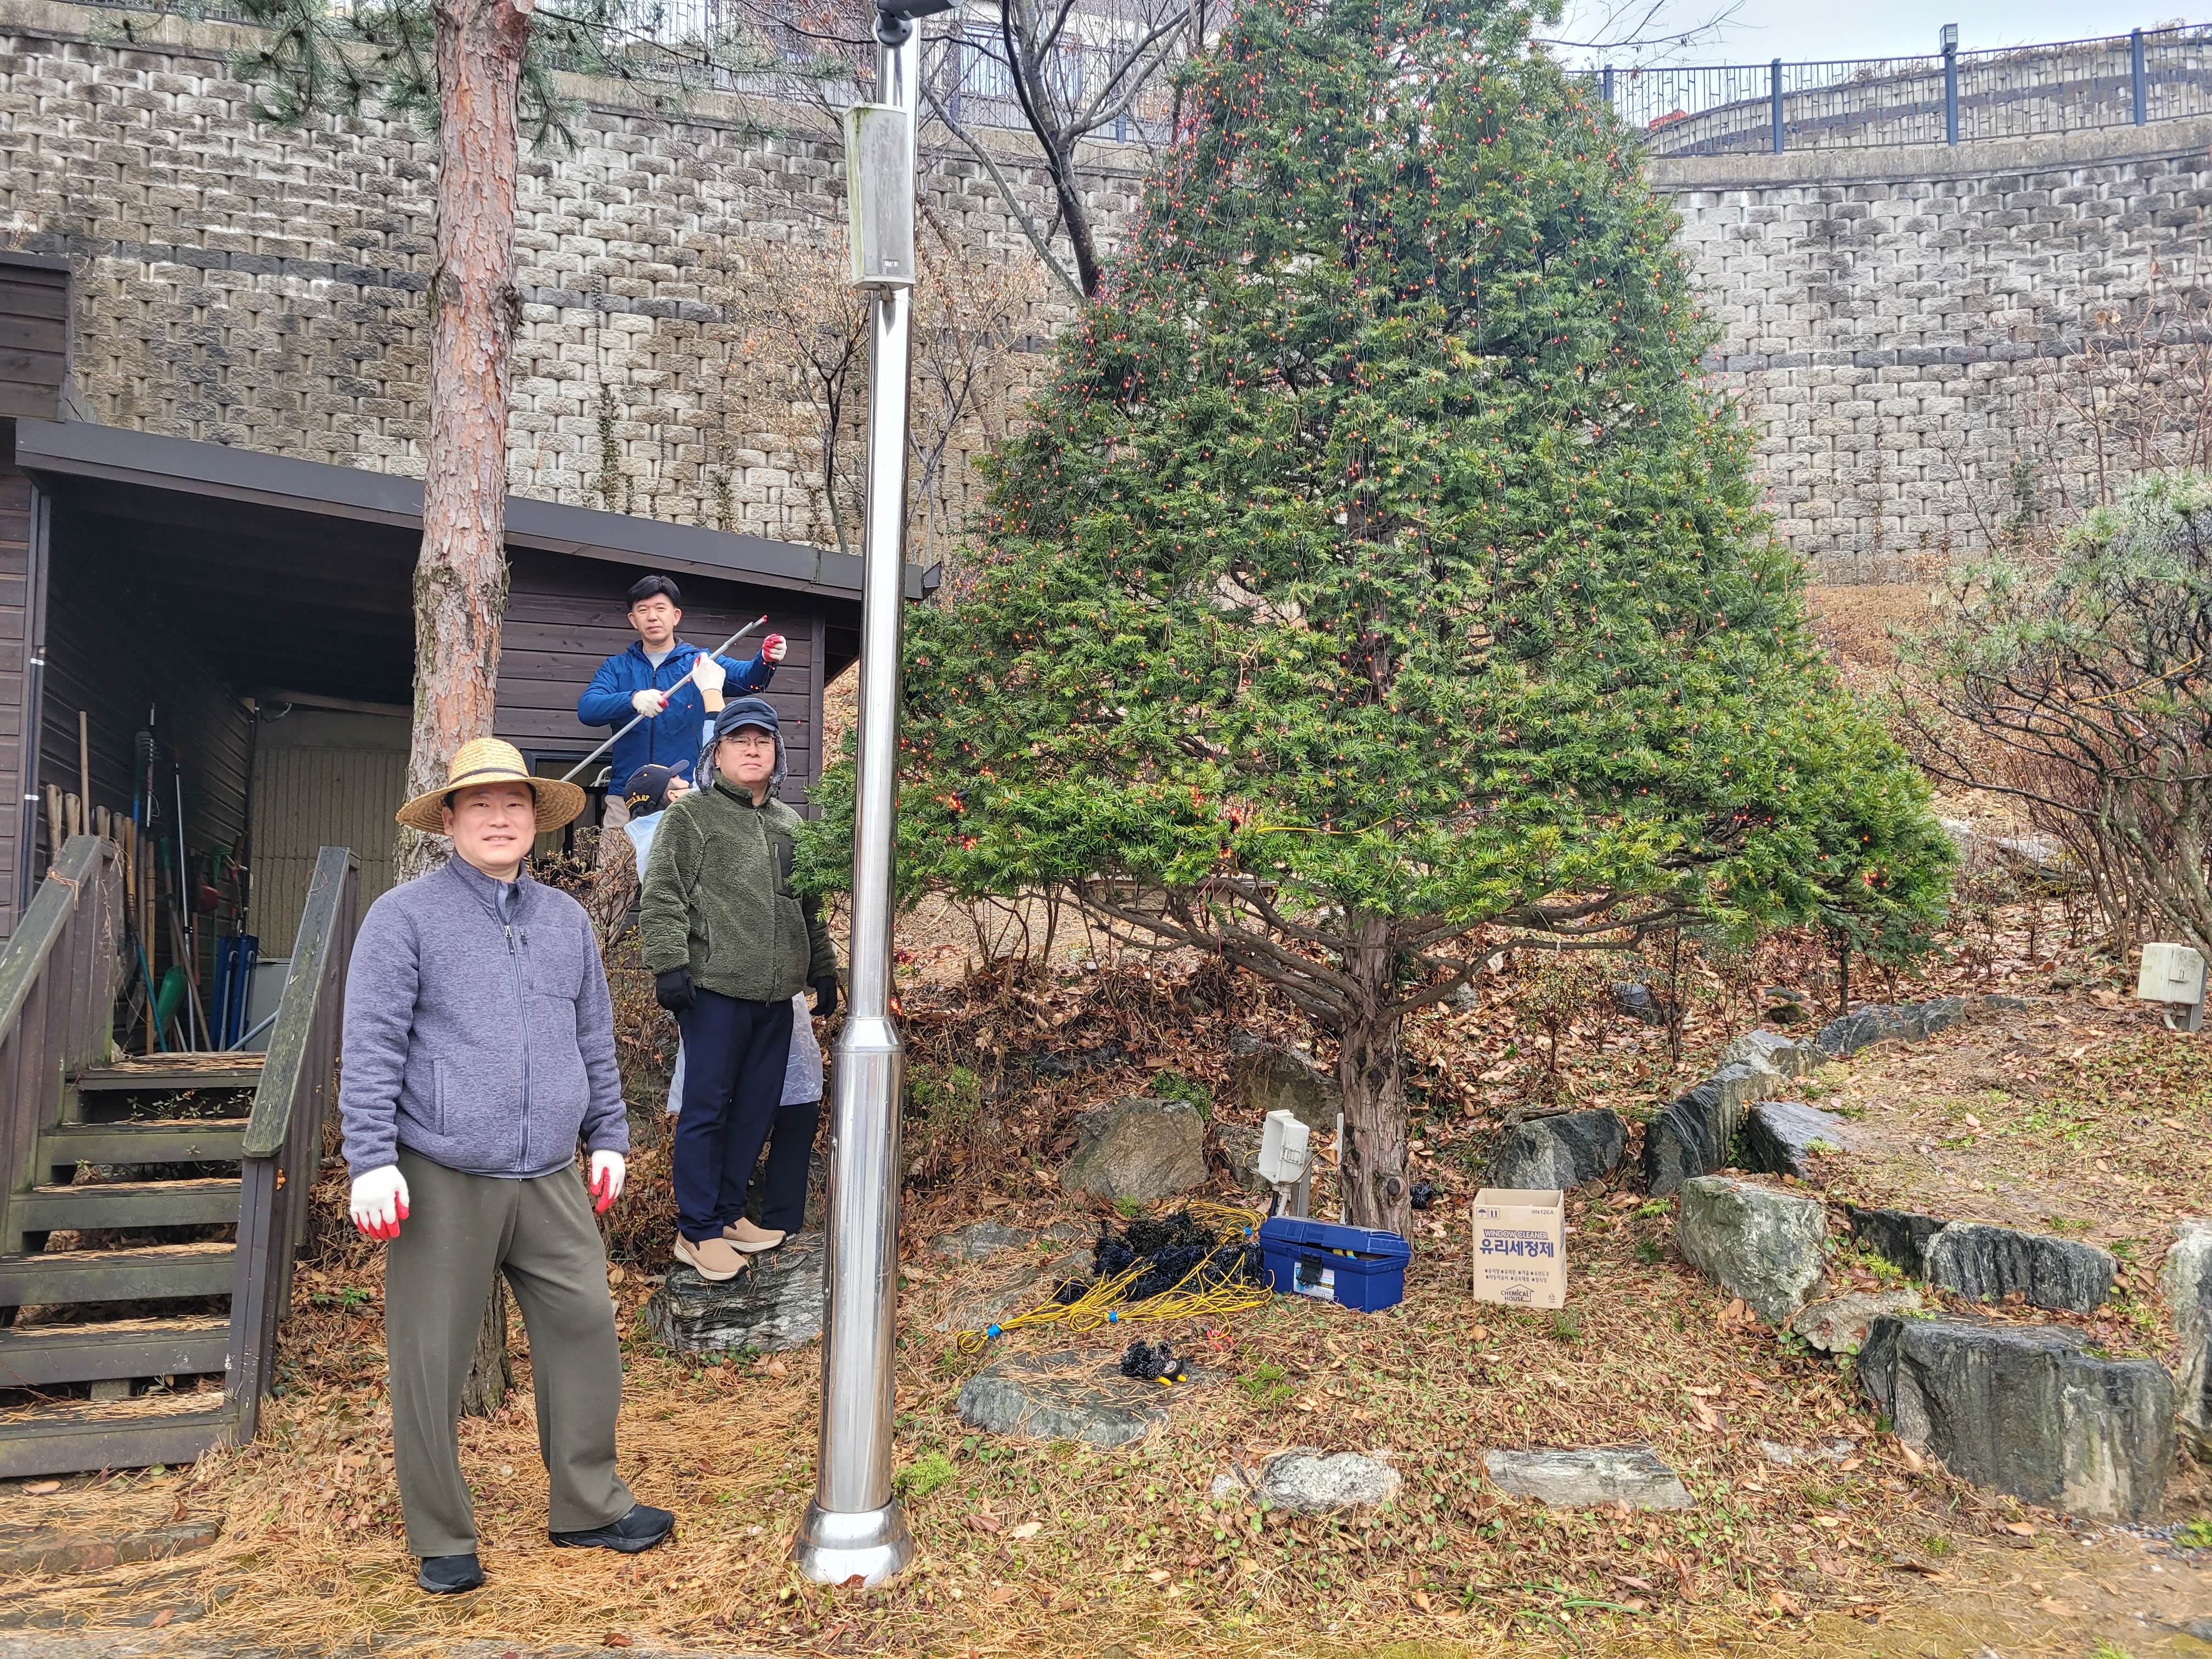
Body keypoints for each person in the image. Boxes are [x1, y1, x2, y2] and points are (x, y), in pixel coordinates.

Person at [339, 738, 674, 1595]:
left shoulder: (565, 921)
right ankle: (442, 1536)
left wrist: (609, 1135)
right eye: (480, 804)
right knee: (431, 1360)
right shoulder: (403, 918)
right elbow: (371, 1045)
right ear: (450, 820)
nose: (499, 818)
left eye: (515, 804)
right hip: (442, 1173)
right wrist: (371, 1159)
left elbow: (592, 1036)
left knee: (586, 1330)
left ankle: (588, 1505)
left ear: (535, 819)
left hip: (552, 1174)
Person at [640, 699, 839, 1280]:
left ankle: (728, 1214)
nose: (753, 750)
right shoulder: (692, 817)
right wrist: (668, 965)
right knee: (707, 1110)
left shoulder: (789, 824)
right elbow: (663, 894)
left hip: (777, 997)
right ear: (718, 752)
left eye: (763, 740)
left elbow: (807, 906)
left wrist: (823, 968)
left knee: (756, 1109)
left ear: (776, 752)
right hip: (714, 991)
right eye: (740, 740)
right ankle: (696, 1229)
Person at [575, 573, 786, 837]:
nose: (653, 617)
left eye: (660, 609)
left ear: (676, 616)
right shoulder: (617, 668)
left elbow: (748, 679)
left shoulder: (699, 662)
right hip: (627, 798)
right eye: (643, 610)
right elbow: (588, 709)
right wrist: (632, 699)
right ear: (633, 619)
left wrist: (766, 659)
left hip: (684, 792)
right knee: (617, 864)